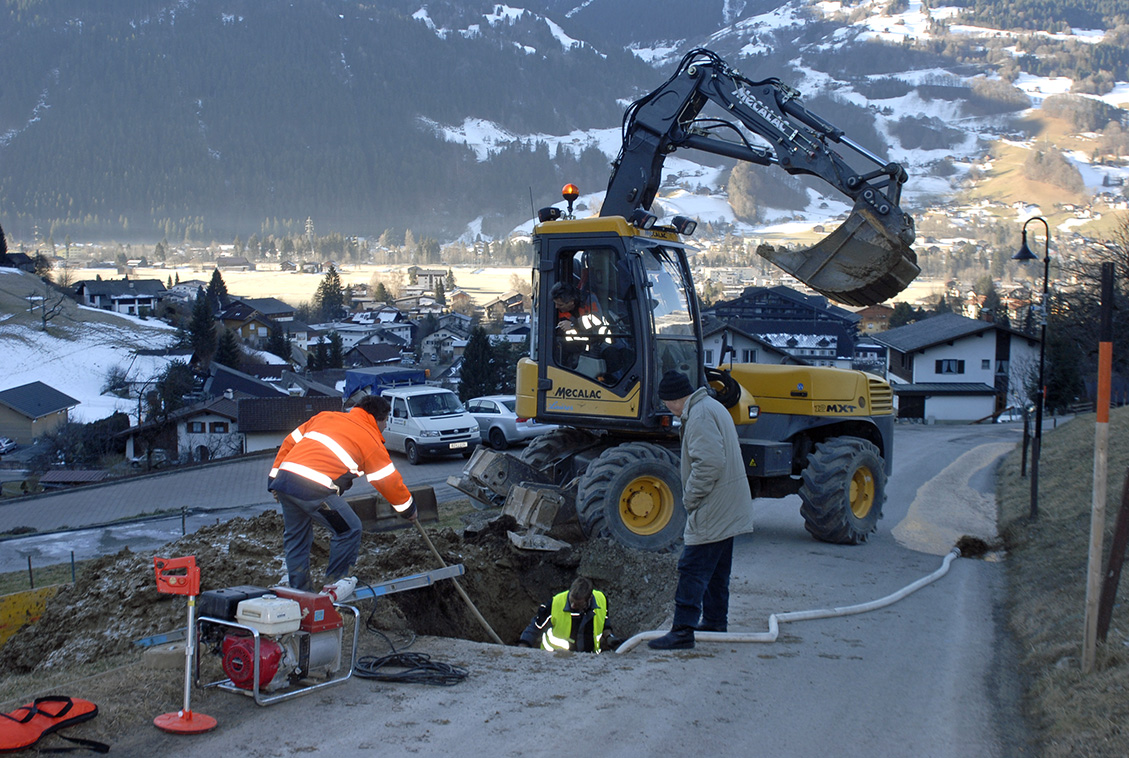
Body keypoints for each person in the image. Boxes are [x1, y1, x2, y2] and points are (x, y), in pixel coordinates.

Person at [268, 394, 415, 597]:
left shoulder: (325, 417)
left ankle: (300, 594)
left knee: (296, 538)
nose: (385, 426)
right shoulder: (370, 439)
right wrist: (409, 509)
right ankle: (335, 590)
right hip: (313, 490)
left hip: (285, 482)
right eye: (386, 421)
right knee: (350, 529)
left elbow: (289, 442)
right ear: (378, 419)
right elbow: (387, 481)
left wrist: (273, 480)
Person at [648, 370, 755, 650]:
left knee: (692, 568)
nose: (667, 408)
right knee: (717, 570)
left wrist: (691, 498)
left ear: (673, 399)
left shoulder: (699, 415)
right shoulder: (711, 406)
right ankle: (716, 622)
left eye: (666, 402)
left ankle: (682, 631)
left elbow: (709, 463)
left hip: (714, 504)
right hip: (729, 502)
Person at [518, 577, 611, 653]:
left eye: (578, 604)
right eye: (571, 601)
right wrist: (522, 647)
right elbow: (535, 627)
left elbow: (605, 625)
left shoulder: (601, 601)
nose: (572, 606)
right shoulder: (555, 604)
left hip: (589, 659)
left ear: (589, 599)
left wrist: (610, 637)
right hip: (555, 659)